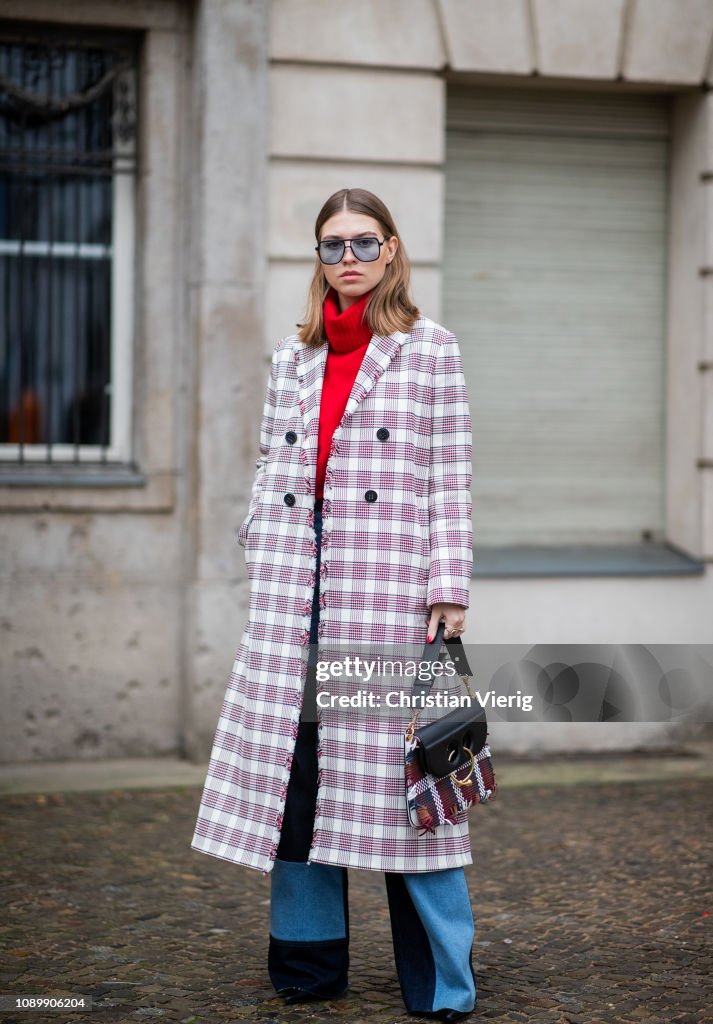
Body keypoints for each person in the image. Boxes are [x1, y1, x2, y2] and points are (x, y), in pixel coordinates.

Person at [191, 187, 476, 1022]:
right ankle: (309, 969)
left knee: (406, 792)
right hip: (296, 594)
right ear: (318, 259)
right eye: (331, 246)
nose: (346, 260)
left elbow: (450, 479)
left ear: (390, 250)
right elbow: (271, 465)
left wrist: (447, 591)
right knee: (298, 785)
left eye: (361, 243)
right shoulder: (294, 355)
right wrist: (260, 544)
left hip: (384, 593)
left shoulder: (428, 349)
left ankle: (440, 984)